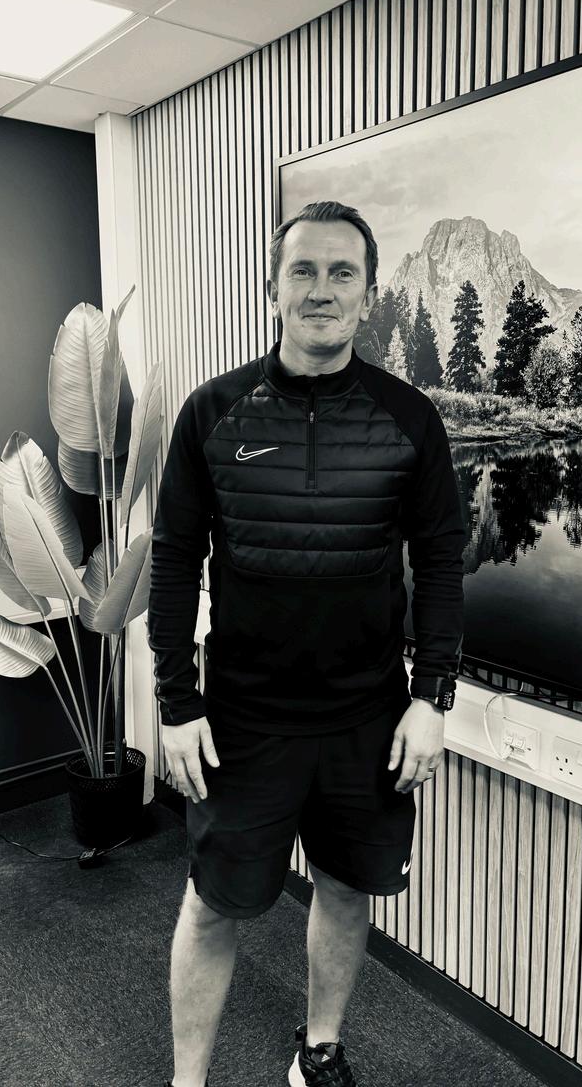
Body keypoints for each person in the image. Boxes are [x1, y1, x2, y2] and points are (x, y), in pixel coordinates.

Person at [147, 200, 465, 1087]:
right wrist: (175, 702)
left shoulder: (408, 417)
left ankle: (318, 1049)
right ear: (273, 287)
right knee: (213, 904)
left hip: (366, 718)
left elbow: (441, 561)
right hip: (242, 719)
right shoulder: (213, 412)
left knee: (345, 886)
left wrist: (431, 696)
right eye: (303, 271)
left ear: (368, 293)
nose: (321, 290)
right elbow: (172, 562)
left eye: (341, 273)